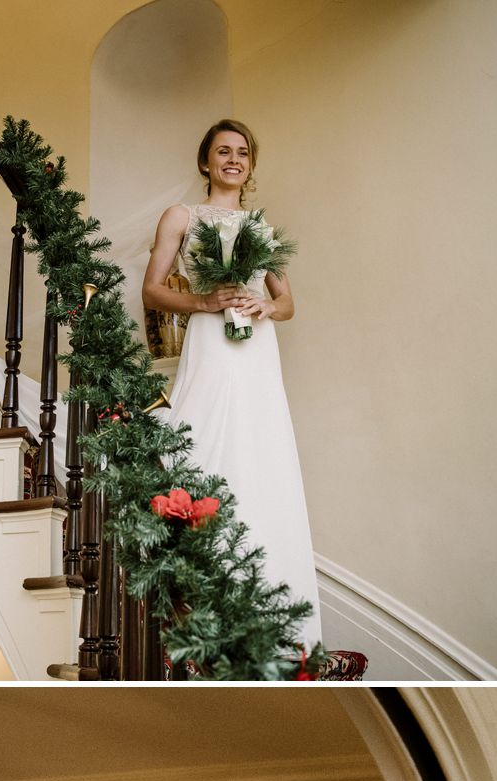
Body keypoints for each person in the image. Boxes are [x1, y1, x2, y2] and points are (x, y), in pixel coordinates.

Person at [141, 117, 321, 645]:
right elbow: (153, 290)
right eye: (223, 151)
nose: (233, 159)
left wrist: (265, 304)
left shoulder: (260, 225)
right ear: (206, 161)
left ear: (250, 165)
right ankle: (200, 574)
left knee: (260, 448)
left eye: (242, 152)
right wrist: (204, 301)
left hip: (257, 349)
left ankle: (263, 590)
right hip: (211, 339)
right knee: (206, 438)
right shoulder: (181, 215)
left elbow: (288, 303)